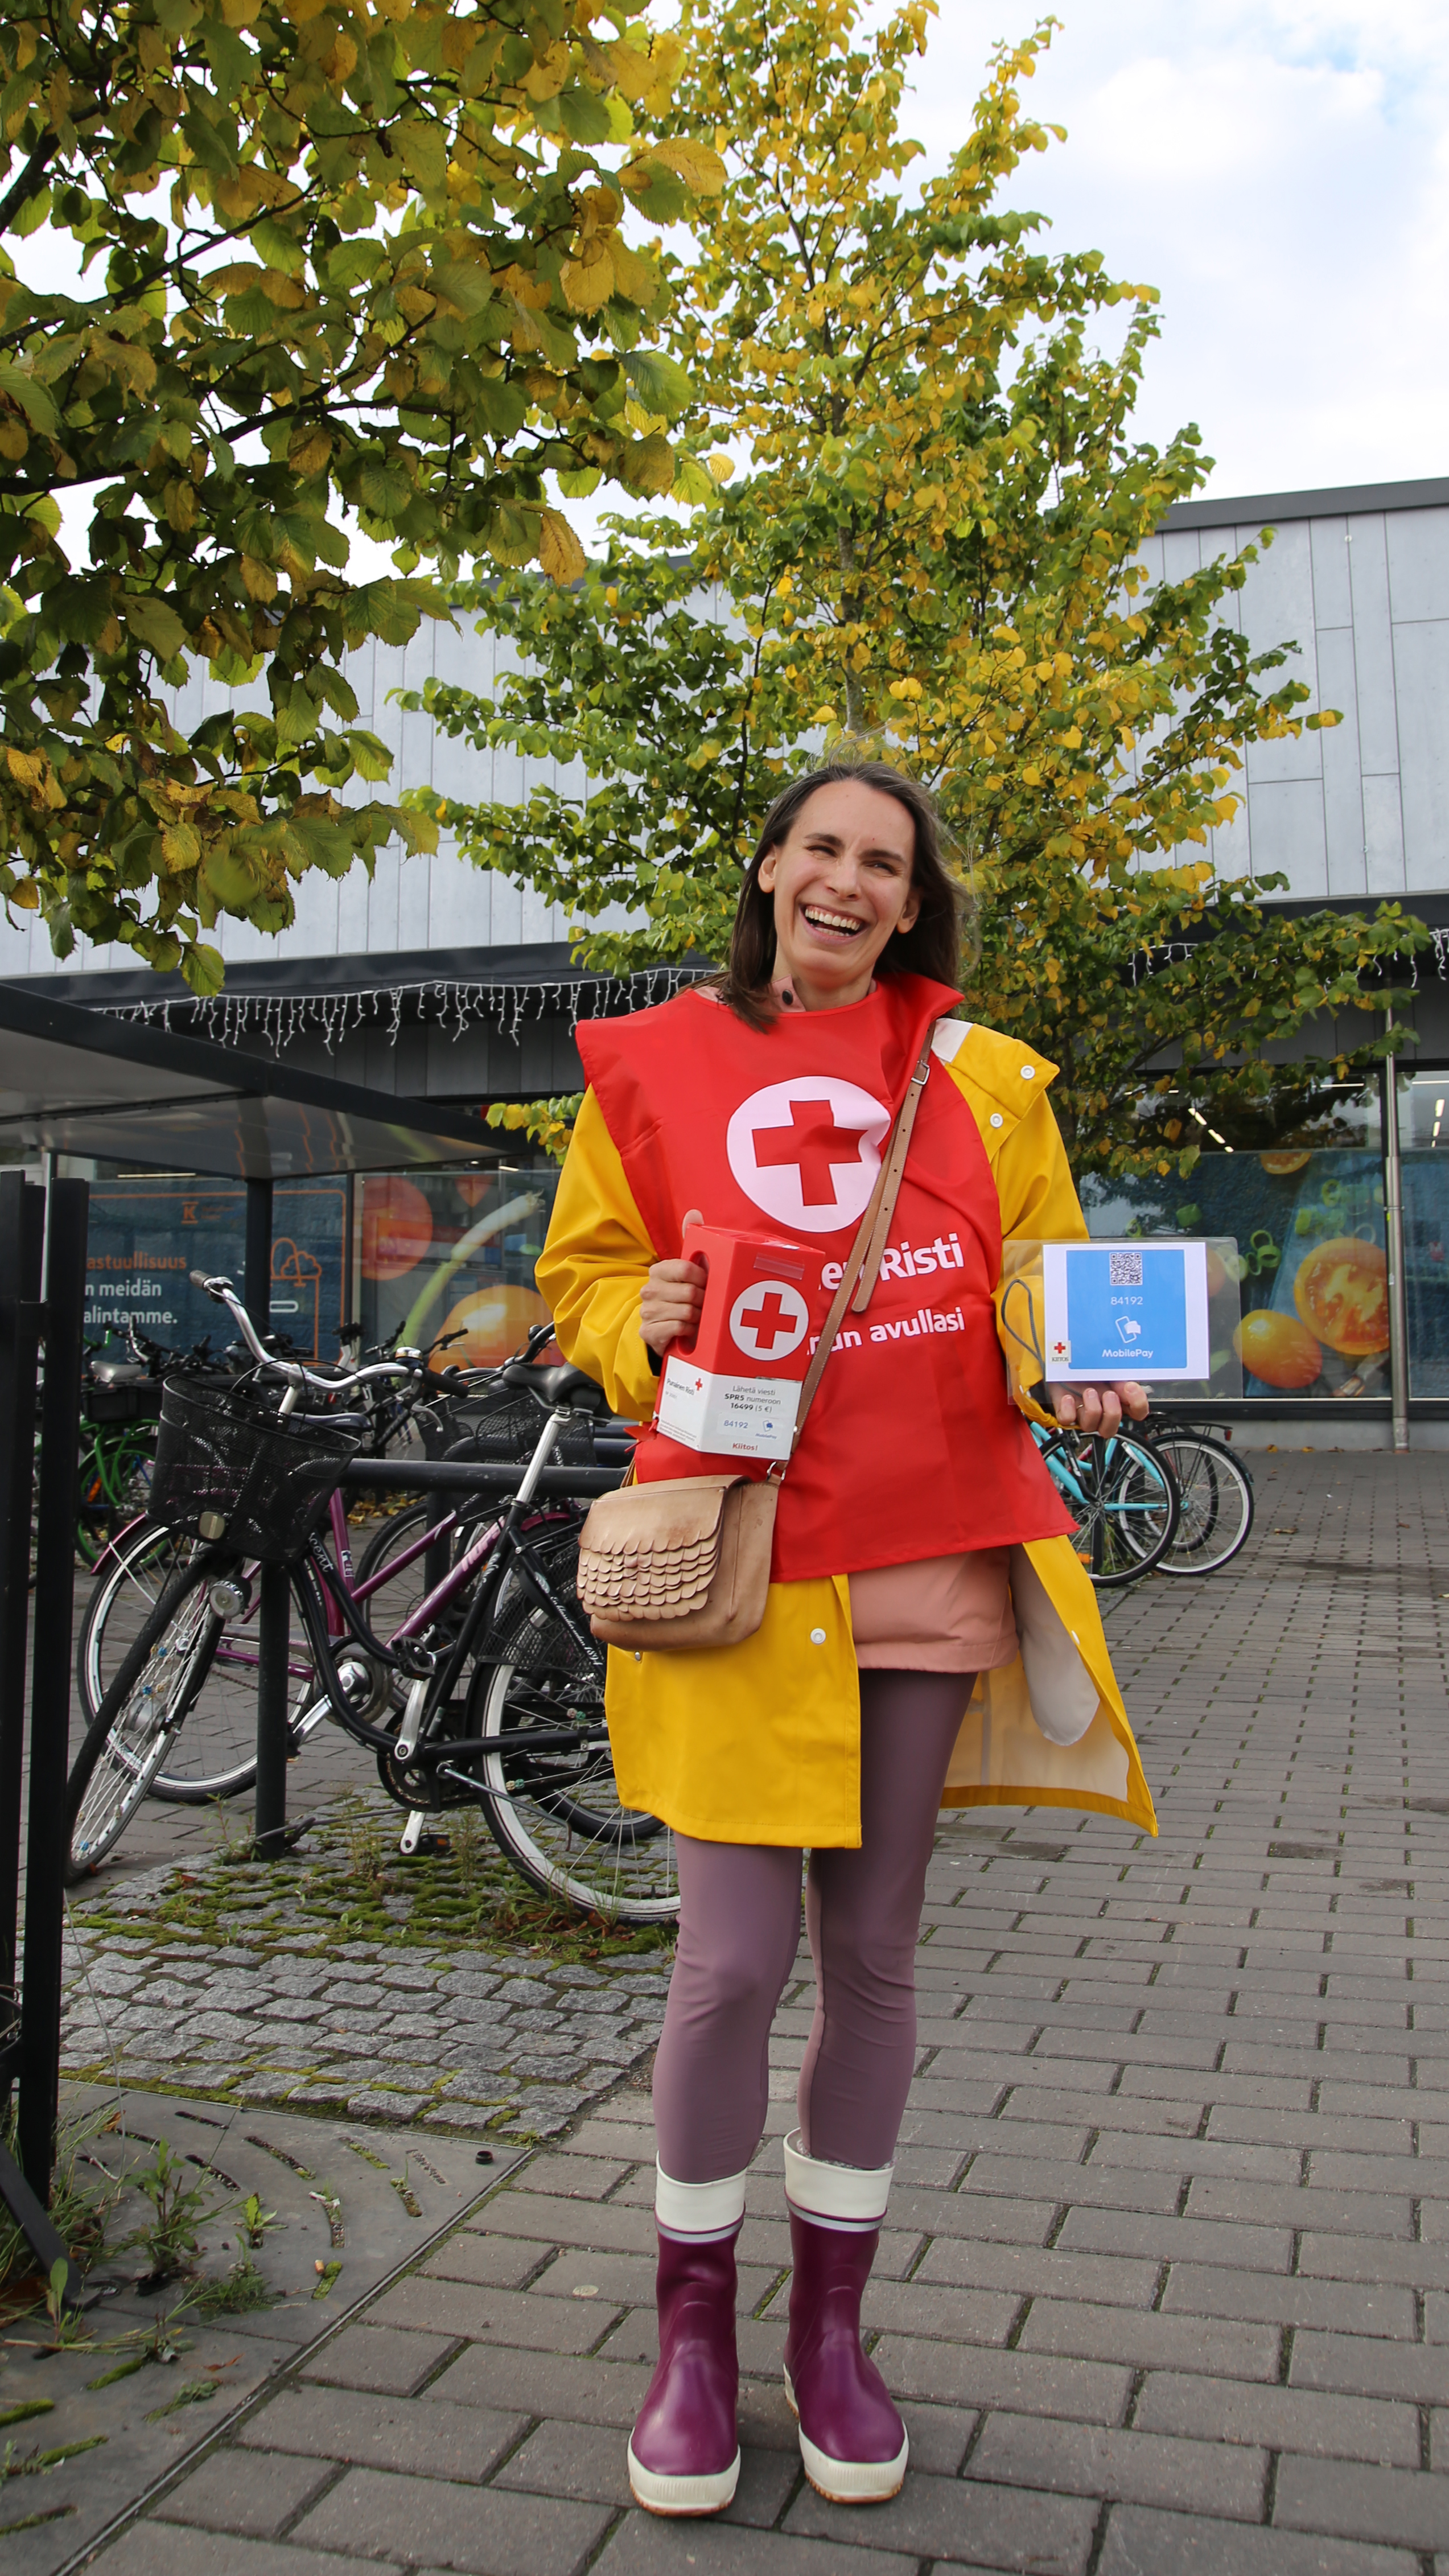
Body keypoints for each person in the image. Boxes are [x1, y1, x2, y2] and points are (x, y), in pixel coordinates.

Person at [537, 758, 1156, 2518]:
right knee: (728, 1963)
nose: (847, 881)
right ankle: (685, 2341)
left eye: (882, 862)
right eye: (821, 847)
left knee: (872, 1958)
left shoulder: (982, 1077)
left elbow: (1039, 1273)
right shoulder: (650, 1063)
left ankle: (830, 2337)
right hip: (743, 1563)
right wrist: (630, 1316)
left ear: (910, 899)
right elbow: (587, 1277)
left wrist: (1083, 1360)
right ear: (767, 869)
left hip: (928, 1560)